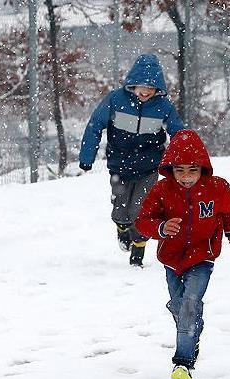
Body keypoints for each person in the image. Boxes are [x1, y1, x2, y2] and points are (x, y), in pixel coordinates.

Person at [135, 129, 230, 379]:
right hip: (172, 258)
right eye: (179, 170)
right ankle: (191, 331)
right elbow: (143, 221)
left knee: (190, 302)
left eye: (192, 170)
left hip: (202, 255)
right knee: (179, 305)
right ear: (170, 169)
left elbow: (228, 210)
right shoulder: (162, 190)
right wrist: (160, 228)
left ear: (203, 168)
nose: (185, 177)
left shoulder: (217, 188)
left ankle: (183, 362)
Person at [79, 53, 184, 266]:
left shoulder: (163, 107)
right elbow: (94, 126)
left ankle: (139, 248)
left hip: (149, 167)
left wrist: (183, 161)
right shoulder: (116, 100)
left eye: (151, 88)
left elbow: (179, 133)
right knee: (121, 209)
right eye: (141, 86)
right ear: (132, 84)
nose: (146, 91)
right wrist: (87, 156)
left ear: (158, 89)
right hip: (119, 165)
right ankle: (122, 228)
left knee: (141, 210)